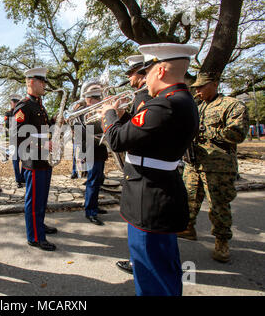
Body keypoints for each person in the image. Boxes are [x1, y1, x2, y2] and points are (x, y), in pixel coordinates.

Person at [100, 43, 199, 296]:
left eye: (149, 70)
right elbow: (144, 137)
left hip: (149, 196)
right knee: (163, 270)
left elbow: (117, 140)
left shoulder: (164, 105)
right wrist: (122, 117)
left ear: (162, 70)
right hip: (159, 190)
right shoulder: (180, 100)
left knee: (150, 275)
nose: (146, 77)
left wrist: (109, 115)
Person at [178, 72, 249, 263]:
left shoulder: (232, 105)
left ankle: (222, 241)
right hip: (194, 163)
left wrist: (205, 131)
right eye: (196, 88)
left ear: (215, 84)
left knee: (218, 205)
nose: (198, 91)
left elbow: (237, 133)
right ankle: (188, 228)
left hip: (218, 166)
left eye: (202, 87)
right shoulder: (197, 106)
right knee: (189, 199)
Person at [115, 54, 153, 275]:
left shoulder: (146, 96)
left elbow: (129, 135)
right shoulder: (141, 95)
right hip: (138, 164)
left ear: (141, 73)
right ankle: (139, 260)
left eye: (131, 74)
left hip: (143, 166)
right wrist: (122, 115)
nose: (129, 78)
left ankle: (141, 263)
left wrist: (112, 118)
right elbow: (135, 122)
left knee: (142, 221)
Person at [13, 67, 58, 251]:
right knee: (34, 200)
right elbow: (17, 137)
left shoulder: (39, 104)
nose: (45, 85)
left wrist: (56, 121)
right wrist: (41, 146)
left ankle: (39, 224)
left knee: (42, 197)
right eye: (42, 82)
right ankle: (35, 236)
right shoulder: (23, 106)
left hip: (44, 158)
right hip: (33, 159)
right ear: (31, 82)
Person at [74, 85, 108, 225]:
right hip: (90, 150)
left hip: (99, 150)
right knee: (93, 181)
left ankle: (94, 205)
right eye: (96, 98)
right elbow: (80, 132)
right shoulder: (81, 112)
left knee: (98, 180)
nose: (99, 100)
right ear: (88, 99)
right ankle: (90, 211)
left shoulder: (97, 110)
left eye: (99, 97)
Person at [5, 94, 26, 188]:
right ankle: (18, 180)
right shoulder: (8, 113)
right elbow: (7, 125)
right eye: (14, 102)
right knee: (15, 161)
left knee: (24, 160)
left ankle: (22, 177)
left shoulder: (22, 112)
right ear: (11, 103)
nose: (16, 103)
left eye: (17, 102)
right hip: (14, 141)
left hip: (23, 140)